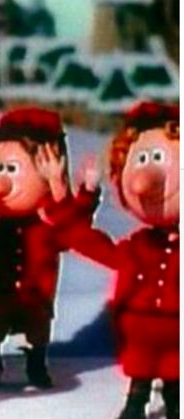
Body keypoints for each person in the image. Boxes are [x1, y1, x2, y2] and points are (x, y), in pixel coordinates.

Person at [0, 108, 98, 390]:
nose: (1, 182)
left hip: (37, 299)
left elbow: (76, 229)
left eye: (11, 169)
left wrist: (82, 193)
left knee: (37, 327)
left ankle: (37, 362)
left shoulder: (49, 230)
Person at [55, 102, 179, 419]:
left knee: (175, 384)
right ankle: (136, 404)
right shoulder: (137, 248)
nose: (143, 177)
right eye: (140, 159)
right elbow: (80, 238)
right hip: (138, 337)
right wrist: (86, 196)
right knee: (140, 379)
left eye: (158, 158)